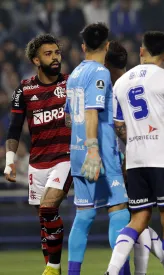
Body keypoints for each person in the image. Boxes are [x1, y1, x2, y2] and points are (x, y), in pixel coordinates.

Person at [105, 31, 164, 275]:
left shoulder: (121, 82)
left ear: (141, 51)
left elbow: (118, 125)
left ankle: (111, 270)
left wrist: (135, 142)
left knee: (138, 219)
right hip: (163, 159)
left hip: (136, 160)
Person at [64, 23, 130, 275]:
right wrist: (94, 148)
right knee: (118, 210)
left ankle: (73, 273)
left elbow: (70, 118)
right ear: (106, 46)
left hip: (77, 152)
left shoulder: (73, 75)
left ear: (83, 47)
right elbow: (92, 111)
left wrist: (83, 145)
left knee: (84, 215)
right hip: (100, 152)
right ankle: (121, 272)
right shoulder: (101, 73)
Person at [4, 34, 71, 275]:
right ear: (35, 59)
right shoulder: (24, 89)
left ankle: (52, 268)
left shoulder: (70, 83)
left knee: (48, 208)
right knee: (44, 221)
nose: (55, 57)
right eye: (48, 54)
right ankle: (53, 268)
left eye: (57, 52)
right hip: (37, 162)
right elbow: (14, 128)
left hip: (65, 157)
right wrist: (10, 161)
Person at [104, 40, 164, 275]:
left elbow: (118, 127)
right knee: (140, 219)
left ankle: (159, 265)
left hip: (126, 160)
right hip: (147, 155)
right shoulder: (136, 81)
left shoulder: (112, 88)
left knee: (137, 217)